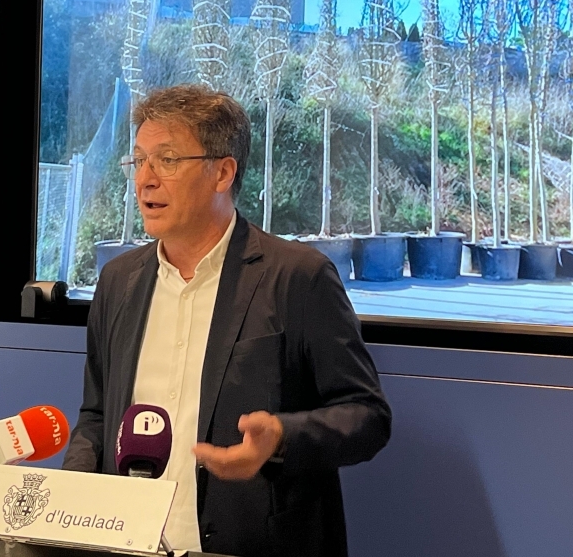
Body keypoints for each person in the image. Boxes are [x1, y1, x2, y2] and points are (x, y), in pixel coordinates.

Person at [63, 84, 391, 557]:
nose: (145, 180)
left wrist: (280, 437)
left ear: (222, 172)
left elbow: (367, 415)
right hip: (130, 544)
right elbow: (97, 415)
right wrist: (73, 491)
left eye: (167, 160)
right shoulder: (119, 281)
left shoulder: (297, 277)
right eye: (139, 161)